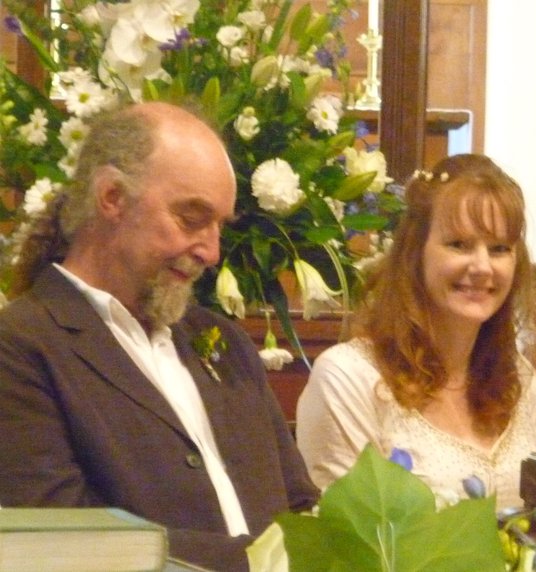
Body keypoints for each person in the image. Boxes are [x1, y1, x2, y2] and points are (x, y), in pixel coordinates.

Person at [0, 102, 318, 572]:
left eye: (219, 226)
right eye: (192, 218)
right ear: (111, 196)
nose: (212, 252)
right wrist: (259, 563)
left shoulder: (222, 340)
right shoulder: (22, 345)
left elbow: (298, 503)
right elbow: (62, 542)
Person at [296, 153, 536, 509]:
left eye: (499, 249)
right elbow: (342, 532)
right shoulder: (349, 378)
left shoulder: (519, 379)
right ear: (415, 252)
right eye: (459, 244)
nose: (482, 266)